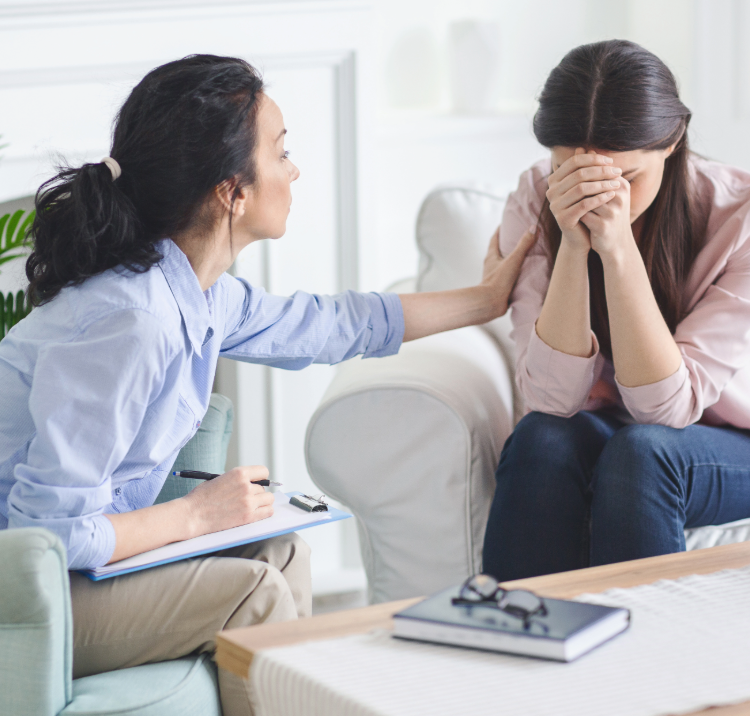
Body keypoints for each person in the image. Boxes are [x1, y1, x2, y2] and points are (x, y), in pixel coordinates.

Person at [0, 55, 535, 715]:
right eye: (281, 153)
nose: (295, 170)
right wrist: (197, 515)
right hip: (23, 597)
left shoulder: (194, 292)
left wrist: (487, 300)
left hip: (67, 575)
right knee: (253, 594)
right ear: (233, 191)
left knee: (282, 554)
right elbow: (44, 534)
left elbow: (332, 324)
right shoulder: (132, 321)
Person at [482, 39, 750, 583]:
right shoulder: (537, 195)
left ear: (671, 141)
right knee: (540, 438)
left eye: (625, 179)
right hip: (605, 425)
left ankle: (643, 665)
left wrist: (618, 246)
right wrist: (574, 246)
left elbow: (665, 410)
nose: (597, 197)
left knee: (644, 451)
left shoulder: (739, 217)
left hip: (727, 436)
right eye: (568, 171)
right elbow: (550, 399)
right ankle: (514, 642)